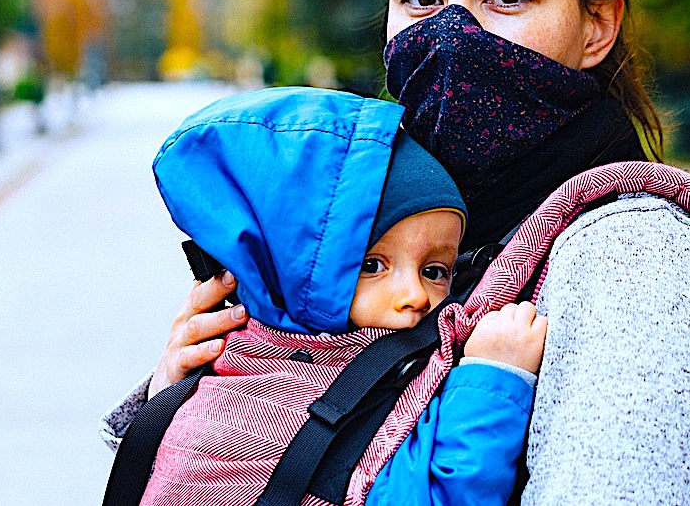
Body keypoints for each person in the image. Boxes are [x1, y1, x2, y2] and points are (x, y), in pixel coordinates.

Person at [103, 0, 690, 504]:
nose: (453, 34)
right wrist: (191, 398)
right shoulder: (379, 208)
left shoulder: (635, 260)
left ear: (596, 24)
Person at [133, 86, 547, 506]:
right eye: (371, 265)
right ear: (291, 270)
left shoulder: (401, 359)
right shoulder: (236, 407)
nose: (415, 295)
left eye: (434, 271)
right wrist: (494, 379)